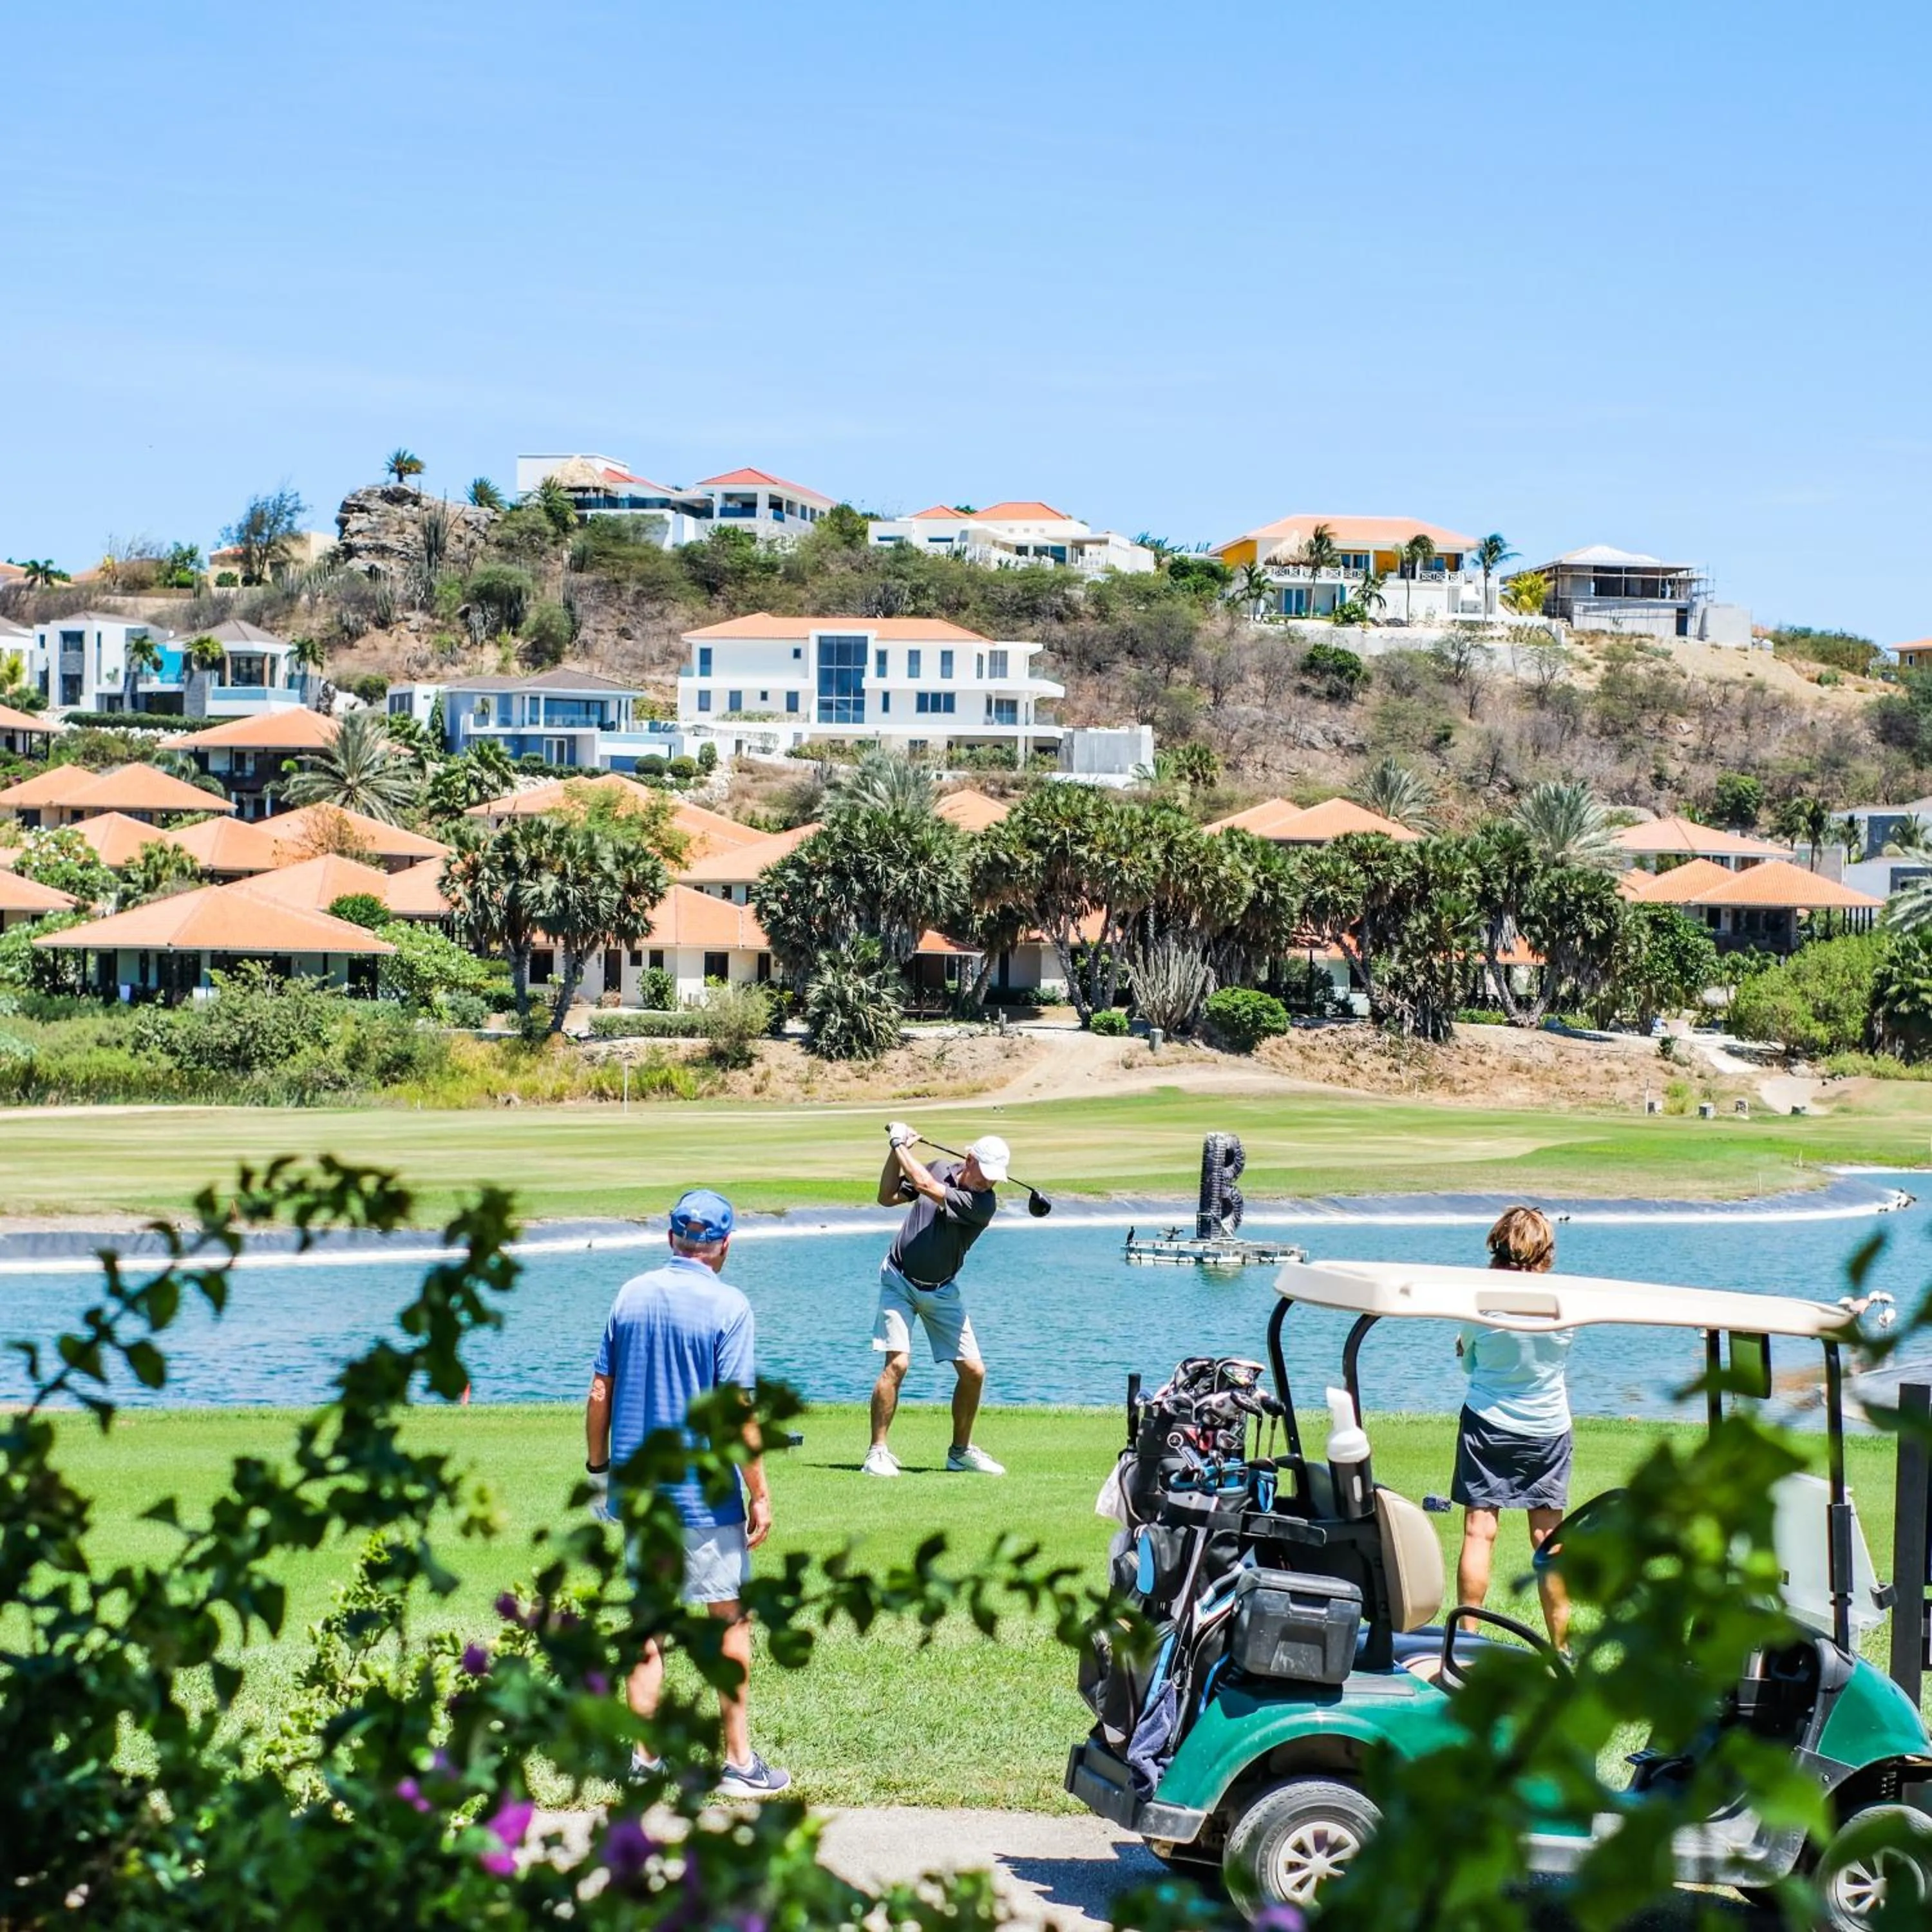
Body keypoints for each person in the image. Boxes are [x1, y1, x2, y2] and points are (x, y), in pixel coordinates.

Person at [583, 1187, 790, 1796]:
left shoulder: (629, 1295)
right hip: (704, 1496)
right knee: (729, 1619)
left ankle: (644, 1761)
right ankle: (739, 1763)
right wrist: (759, 1492)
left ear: (672, 1236)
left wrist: (599, 1469)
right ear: (725, 1245)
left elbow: (600, 1392)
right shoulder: (731, 1306)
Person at [1452, 1205, 1574, 1649]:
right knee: (1549, 1541)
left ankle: (1467, 1642)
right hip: (1548, 1429)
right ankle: (1562, 1648)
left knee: (1479, 1532)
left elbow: (1469, 1363)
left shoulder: (1481, 1303)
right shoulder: (1565, 1305)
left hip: (1487, 1423)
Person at [863, 1122, 1009, 1479]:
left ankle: (960, 1452)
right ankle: (877, 1452)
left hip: (942, 1290)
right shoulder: (940, 1168)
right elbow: (887, 1197)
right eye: (985, 1175)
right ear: (969, 1160)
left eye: (994, 1179)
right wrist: (895, 1153)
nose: (987, 1183)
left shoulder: (983, 1204)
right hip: (898, 1279)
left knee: (974, 1372)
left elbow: (927, 1187)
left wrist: (898, 1143)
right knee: (897, 1364)